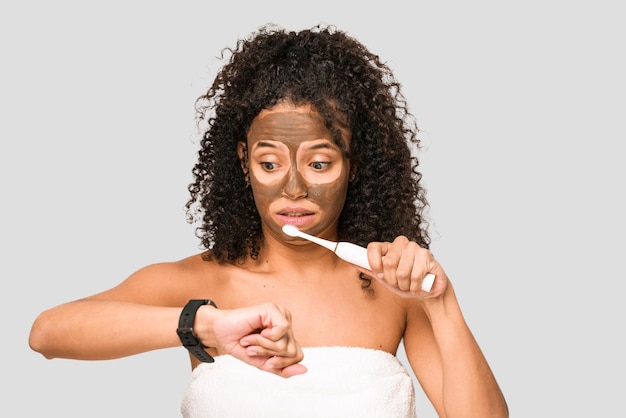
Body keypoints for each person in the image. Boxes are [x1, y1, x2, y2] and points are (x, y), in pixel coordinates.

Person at [29, 23, 509, 418]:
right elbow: (48, 333)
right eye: (269, 163)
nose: (294, 188)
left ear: (355, 163)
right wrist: (206, 327)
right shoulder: (201, 281)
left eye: (319, 164)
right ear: (242, 163)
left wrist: (440, 304)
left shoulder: (393, 291)